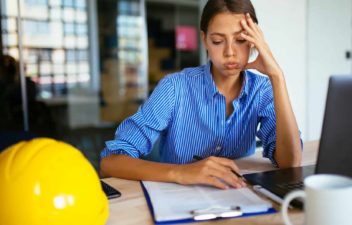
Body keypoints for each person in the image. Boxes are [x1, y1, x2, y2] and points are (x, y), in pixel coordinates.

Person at [100, 0, 302, 190]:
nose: (230, 52)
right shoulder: (174, 88)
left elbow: (290, 162)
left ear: (254, 42)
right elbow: (111, 162)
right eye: (217, 41)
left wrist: (277, 76)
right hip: (178, 199)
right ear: (204, 39)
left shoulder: (262, 90)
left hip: (237, 197)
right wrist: (181, 172)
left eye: (241, 40)